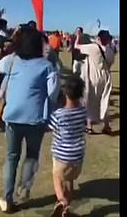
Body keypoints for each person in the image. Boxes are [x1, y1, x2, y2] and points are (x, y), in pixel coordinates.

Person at [0, 26, 60, 213]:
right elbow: (53, 93)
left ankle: (7, 198)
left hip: (12, 117)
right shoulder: (46, 66)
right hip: (36, 118)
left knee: (11, 157)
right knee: (32, 155)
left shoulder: (11, 61)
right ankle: (24, 188)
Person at [49, 75, 87, 217]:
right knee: (70, 180)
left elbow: (51, 127)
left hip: (61, 155)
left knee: (57, 177)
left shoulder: (59, 114)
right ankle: (67, 209)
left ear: (65, 92)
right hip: (77, 155)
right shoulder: (82, 111)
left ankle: (61, 201)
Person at [74, 30, 115, 134]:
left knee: (90, 101)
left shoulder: (93, 47)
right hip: (105, 77)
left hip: (93, 77)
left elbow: (76, 46)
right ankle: (106, 126)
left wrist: (78, 36)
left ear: (99, 38)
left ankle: (89, 126)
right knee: (104, 101)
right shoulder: (110, 51)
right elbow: (110, 64)